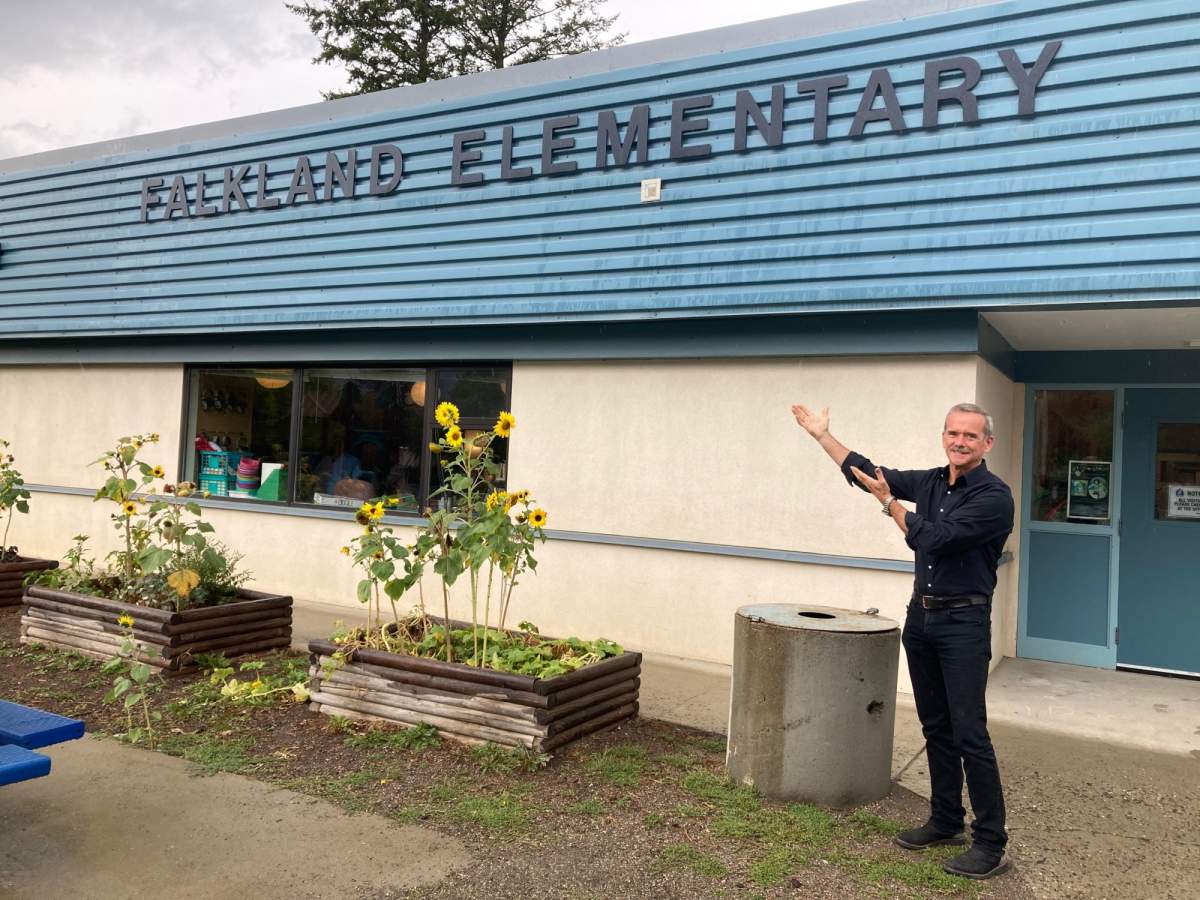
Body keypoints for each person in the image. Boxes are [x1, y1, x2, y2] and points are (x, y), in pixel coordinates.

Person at [791, 401, 1015, 881]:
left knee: (969, 733)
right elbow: (871, 473)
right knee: (936, 726)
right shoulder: (933, 481)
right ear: (944, 437)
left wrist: (890, 504)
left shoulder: (995, 497)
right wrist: (824, 437)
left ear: (986, 444)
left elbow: (934, 538)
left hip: (964, 624)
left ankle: (991, 842)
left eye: (970, 436)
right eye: (953, 433)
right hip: (923, 619)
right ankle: (946, 820)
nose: (960, 441)